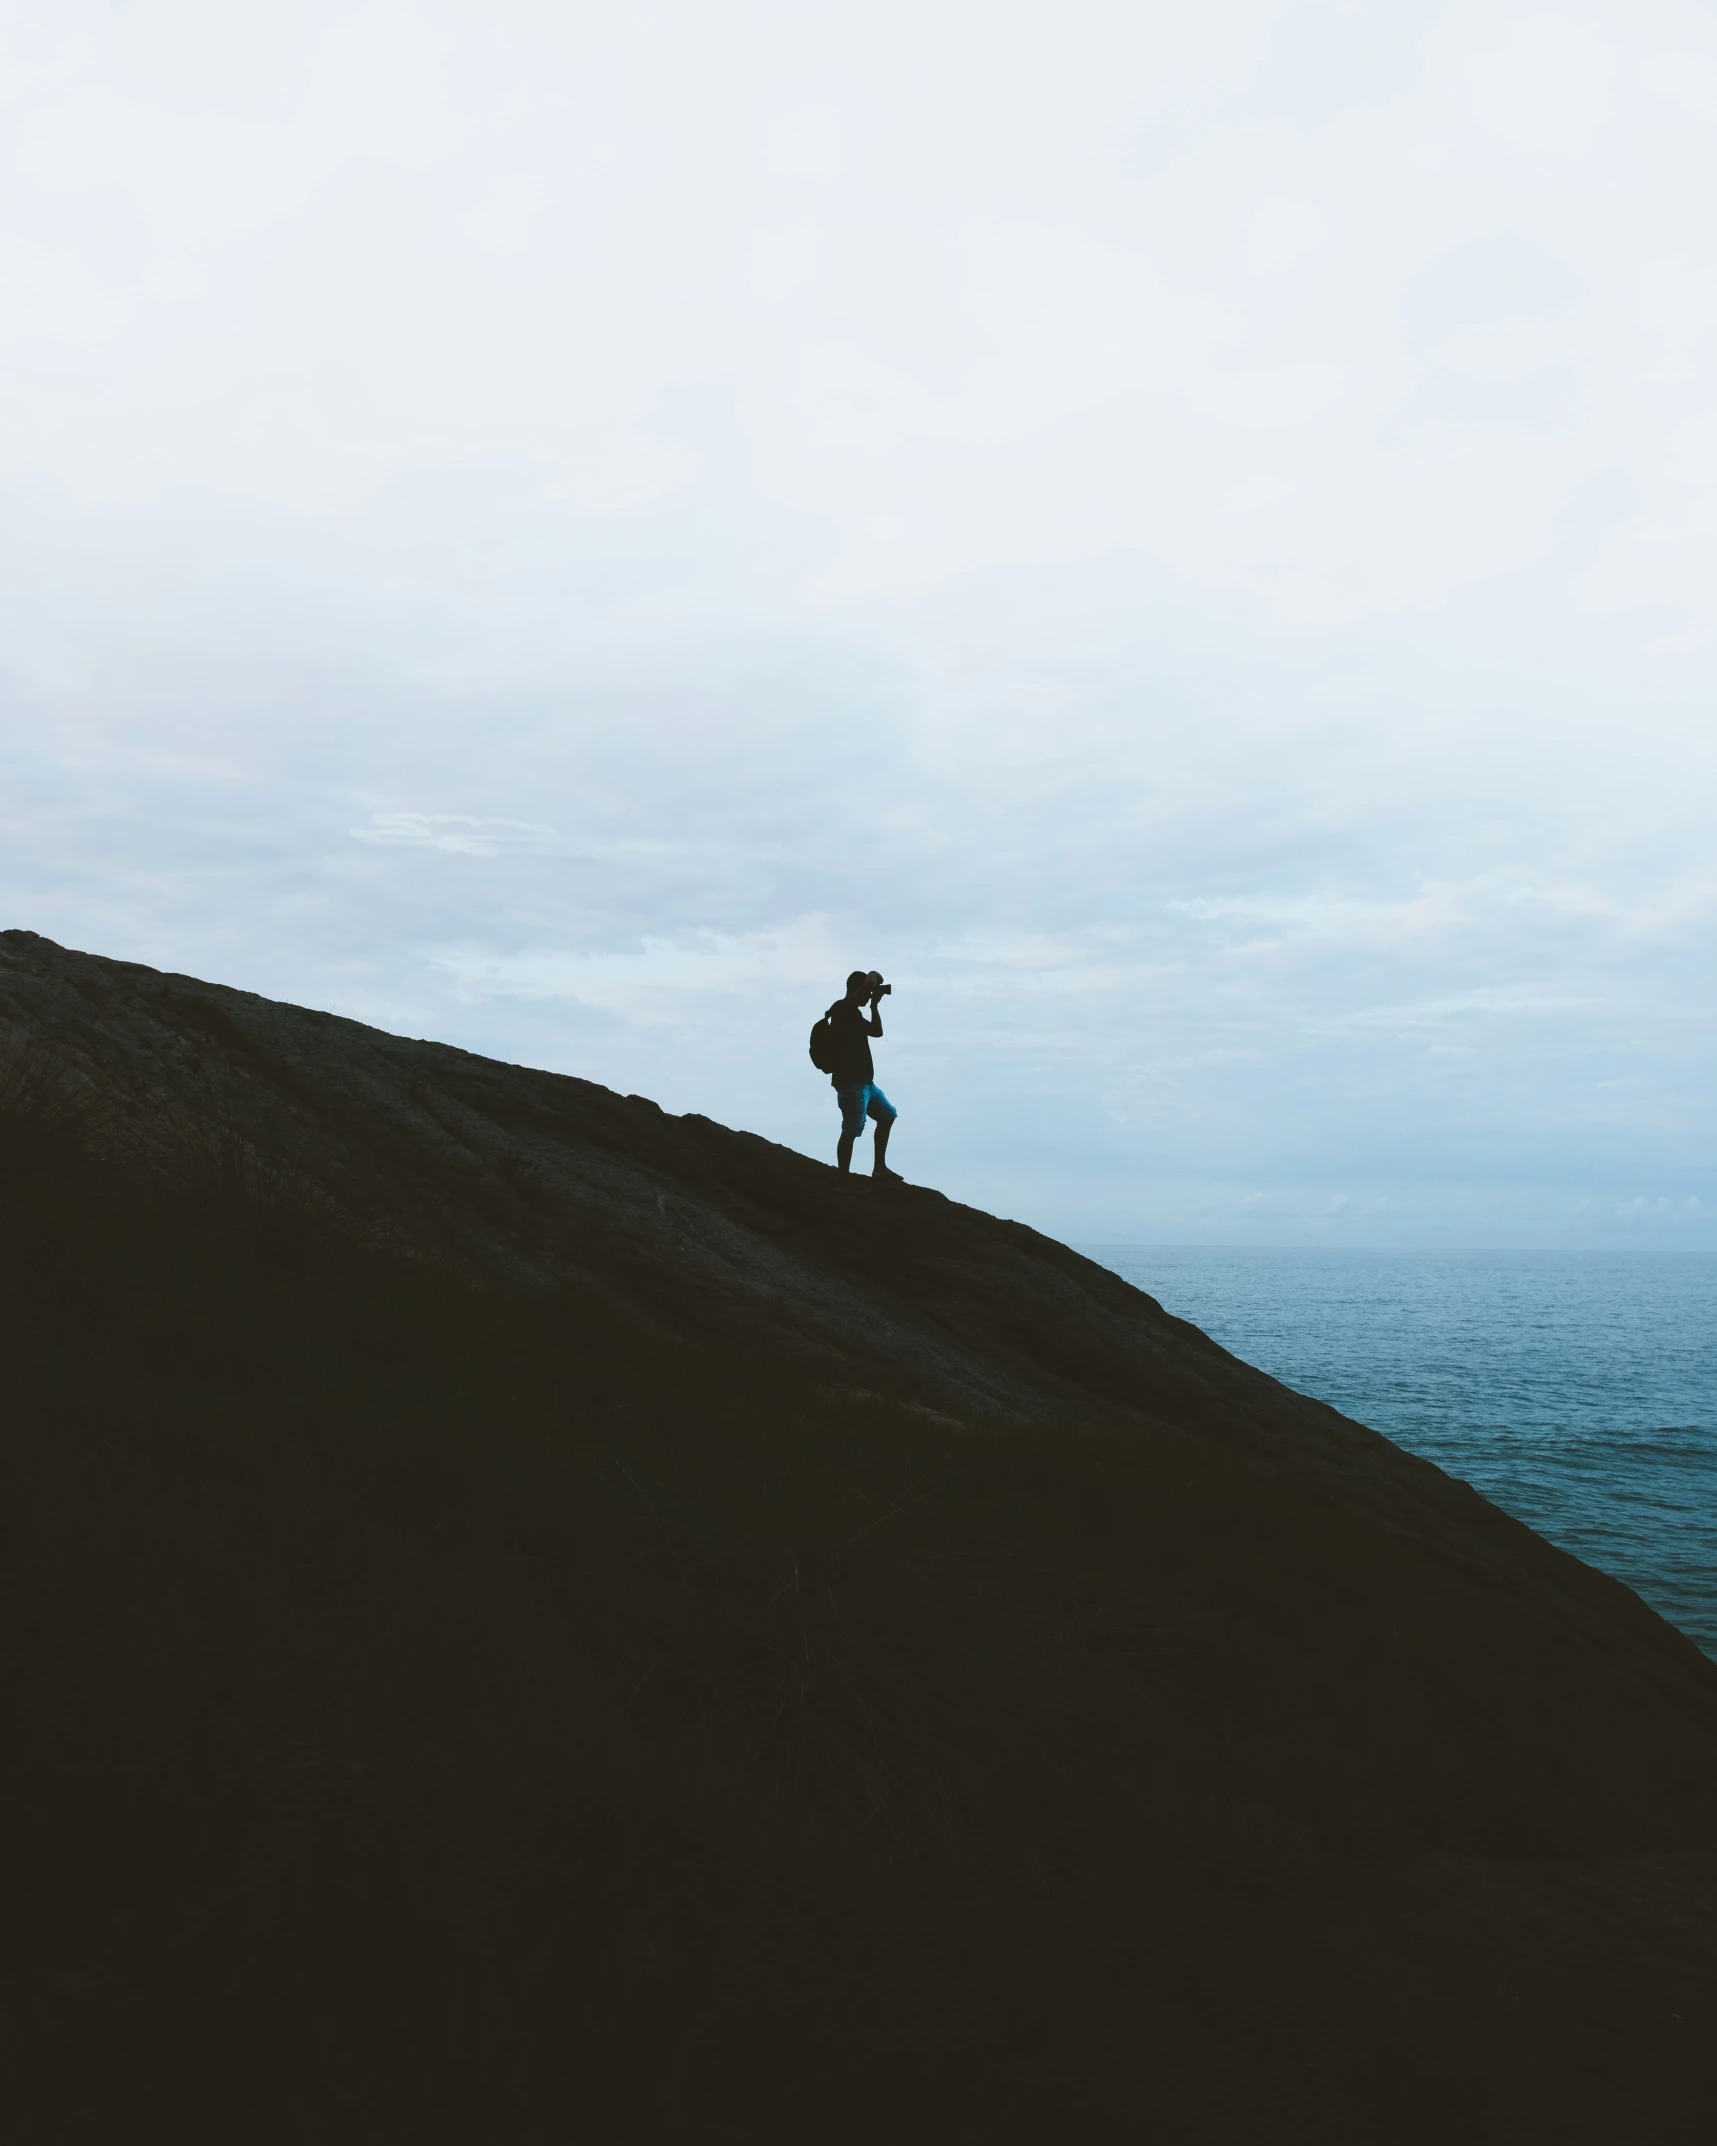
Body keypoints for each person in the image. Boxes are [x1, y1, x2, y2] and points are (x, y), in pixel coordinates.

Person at [826, 969, 901, 1182]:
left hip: (866, 1083)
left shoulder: (855, 1014)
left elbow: (877, 1032)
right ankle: (842, 1180)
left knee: (887, 1115)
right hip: (851, 1083)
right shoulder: (842, 1009)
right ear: (857, 989)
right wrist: (874, 979)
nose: (869, 995)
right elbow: (871, 977)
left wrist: (875, 1006)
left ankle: (879, 1168)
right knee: (851, 1129)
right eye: (867, 993)